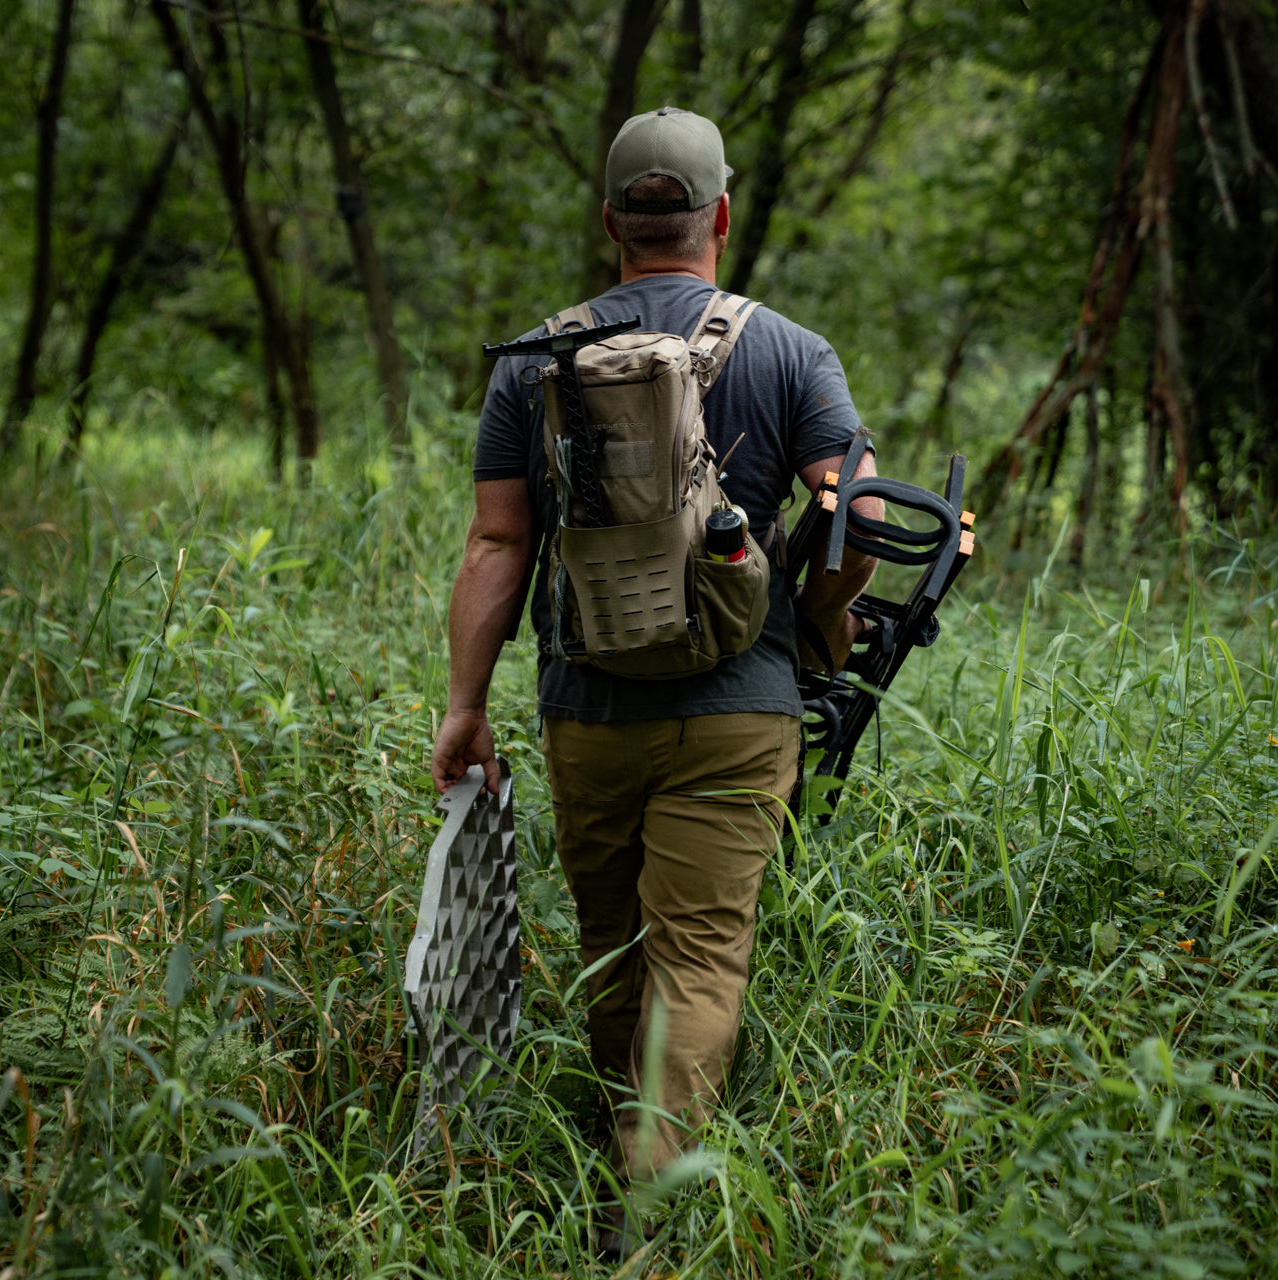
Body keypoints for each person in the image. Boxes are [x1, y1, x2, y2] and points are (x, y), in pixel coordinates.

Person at [431, 105, 880, 1244]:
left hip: (587, 708)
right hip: (741, 709)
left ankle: (610, 1154)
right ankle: (646, 1211)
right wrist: (819, 624)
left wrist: (465, 704)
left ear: (611, 221)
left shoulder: (534, 358)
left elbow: (496, 544)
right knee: (699, 954)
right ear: (717, 212)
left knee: (612, 941)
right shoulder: (788, 350)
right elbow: (857, 517)